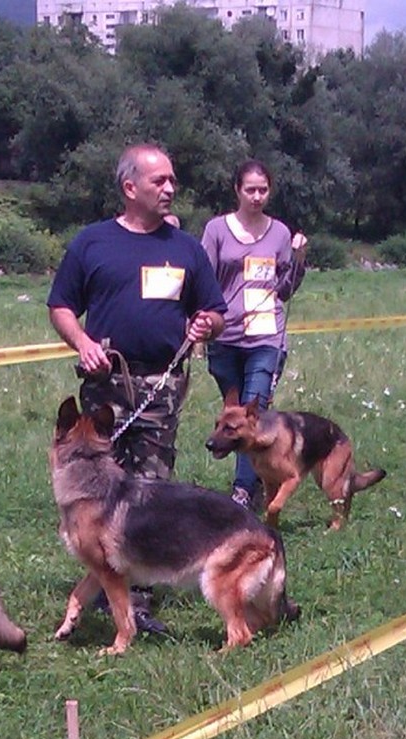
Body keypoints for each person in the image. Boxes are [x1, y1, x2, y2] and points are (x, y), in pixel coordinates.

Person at [47, 143, 226, 633]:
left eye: (172, 180)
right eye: (159, 181)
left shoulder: (185, 247)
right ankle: (102, 578)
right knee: (94, 490)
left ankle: (137, 600)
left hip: (159, 386)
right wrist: (81, 341)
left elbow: (214, 311)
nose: (170, 189)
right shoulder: (92, 243)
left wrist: (206, 325)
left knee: (147, 491)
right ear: (130, 188)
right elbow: (61, 305)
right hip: (105, 383)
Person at [201, 160, 308, 509]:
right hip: (226, 335)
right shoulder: (217, 229)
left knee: (253, 411)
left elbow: (285, 289)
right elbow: (204, 280)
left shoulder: (279, 233)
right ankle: (260, 478)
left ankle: (243, 491)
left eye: (263, 189)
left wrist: (299, 259)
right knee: (233, 414)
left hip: (266, 336)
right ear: (237, 190)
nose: (257, 196)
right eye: (251, 189)